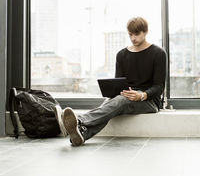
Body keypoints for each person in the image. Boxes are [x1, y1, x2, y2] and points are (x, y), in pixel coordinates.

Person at [54, 17, 167, 146]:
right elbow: (118, 82)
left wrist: (142, 95)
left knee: (118, 102)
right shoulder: (122, 55)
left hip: (149, 101)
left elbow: (159, 87)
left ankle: (79, 121)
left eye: (137, 34)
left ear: (145, 32)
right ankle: (82, 134)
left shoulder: (158, 53)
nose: (133, 38)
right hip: (126, 96)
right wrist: (115, 91)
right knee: (108, 104)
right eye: (130, 34)